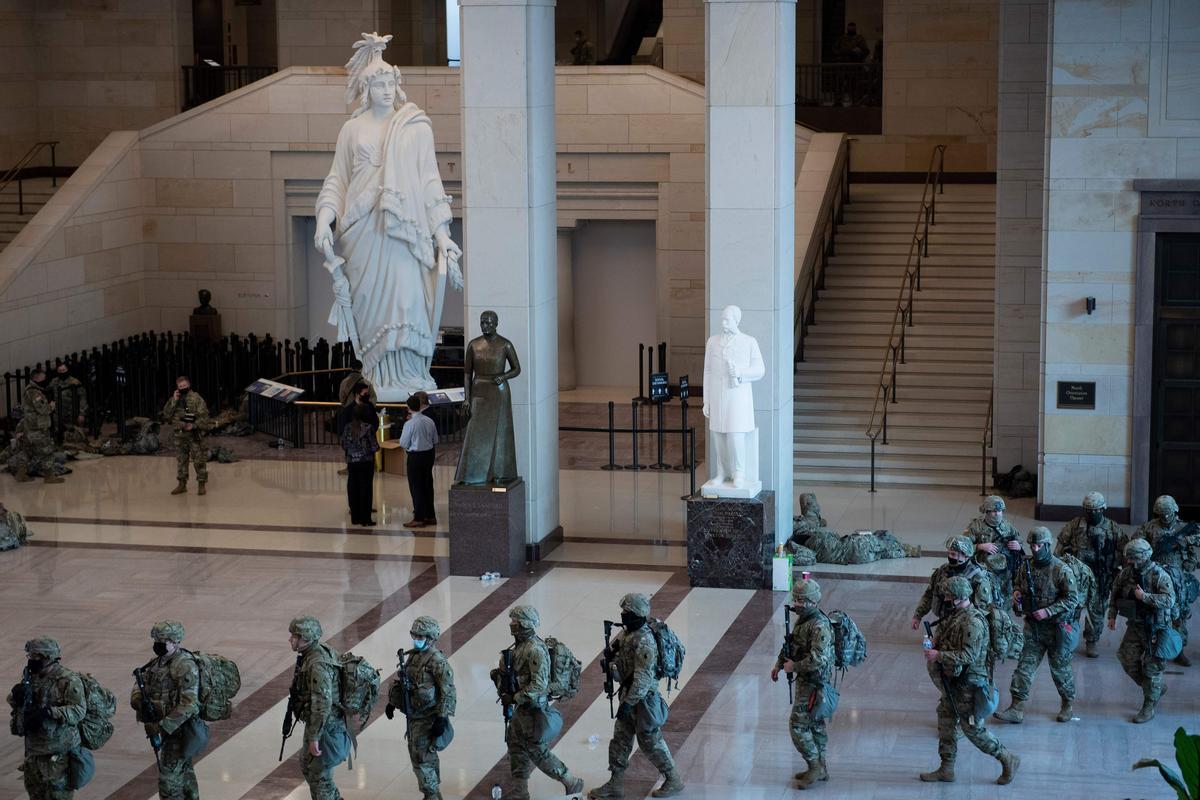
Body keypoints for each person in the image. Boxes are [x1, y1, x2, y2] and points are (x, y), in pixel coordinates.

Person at [315, 33, 463, 402]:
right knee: (371, 309)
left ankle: (410, 373)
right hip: (362, 232)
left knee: (407, 300)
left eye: (390, 82)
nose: (385, 89)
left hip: (402, 231)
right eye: (378, 83)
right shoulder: (352, 130)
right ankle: (378, 374)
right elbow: (337, 178)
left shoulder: (414, 127)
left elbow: (430, 181)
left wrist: (443, 234)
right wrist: (323, 218)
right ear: (366, 88)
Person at [920, 577, 1020, 785]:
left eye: (949, 596)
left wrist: (938, 655)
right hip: (952, 681)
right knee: (946, 722)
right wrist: (934, 643)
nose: (946, 599)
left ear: (958, 597)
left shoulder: (973, 622)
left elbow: (968, 656)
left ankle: (1006, 758)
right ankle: (946, 768)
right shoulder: (955, 615)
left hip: (968, 684)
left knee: (972, 729)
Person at [589, 593, 682, 799]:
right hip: (628, 694)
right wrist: (612, 659)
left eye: (627, 612)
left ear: (637, 614)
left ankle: (673, 778)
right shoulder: (629, 633)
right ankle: (615, 783)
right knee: (620, 740)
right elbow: (621, 656)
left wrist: (628, 704)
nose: (623, 615)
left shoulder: (645, 643)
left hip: (643, 700)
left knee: (650, 741)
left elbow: (643, 679)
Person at [491, 606, 584, 800]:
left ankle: (570, 781)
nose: (511, 625)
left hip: (532, 709)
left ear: (524, 624)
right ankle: (520, 792)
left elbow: (539, 684)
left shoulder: (534, 649)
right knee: (515, 746)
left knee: (537, 751)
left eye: (515, 621)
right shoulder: (520, 646)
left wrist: (515, 697)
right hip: (522, 709)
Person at [993, 527, 1079, 724]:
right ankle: (1017, 708)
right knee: (1024, 668)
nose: (1035, 549)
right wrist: (1016, 594)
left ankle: (1067, 704)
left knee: (1060, 671)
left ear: (1047, 545)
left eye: (1039, 545)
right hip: (1033, 628)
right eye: (1032, 545)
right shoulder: (1027, 566)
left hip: (1056, 628)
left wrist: (1048, 611)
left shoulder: (1061, 570)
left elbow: (1072, 599)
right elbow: (1018, 583)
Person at [6, 636, 87, 800]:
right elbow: (19, 702)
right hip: (34, 753)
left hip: (57, 756)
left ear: (47, 657)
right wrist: (16, 697)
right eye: (30, 657)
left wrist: (50, 712)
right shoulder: (32, 677)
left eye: (34, 657)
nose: (31, 661)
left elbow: (79, 711)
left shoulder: (67, 680)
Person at [771, 578, 833, 790]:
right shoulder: (804, 620)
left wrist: (793, 667)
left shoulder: (819, 626)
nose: (796, 603)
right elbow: (792, 644)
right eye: (795, 599)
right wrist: (779, 664)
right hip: (806, 679)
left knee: (797, 725)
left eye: (801, 600)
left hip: (814, 682)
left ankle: (815, 765)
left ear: (813, 603)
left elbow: (819, 659)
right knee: (815, 724)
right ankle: (820, 767)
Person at [131, 620, 203, 799]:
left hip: (180, 731)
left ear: (175, 641)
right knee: (185, 775)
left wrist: (162, 726)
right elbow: (140, 682)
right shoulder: (157, 663)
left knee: (168, 783)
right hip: (166, 731)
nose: (157, 645)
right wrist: (138, 698)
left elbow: (189, 704)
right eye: (156, 640)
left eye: (162, 641)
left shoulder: (185, 665)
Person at [386, 616, 455, 800]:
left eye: (420, 636)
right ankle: (430, 794)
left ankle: (432, 795)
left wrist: (441, 717)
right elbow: (406, 683)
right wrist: (393, 703)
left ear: (431, 637)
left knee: (423, 761)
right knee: (418, 759)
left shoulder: (437, 661)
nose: (416, 638)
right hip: (414, 718)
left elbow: (448, 691)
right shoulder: (414, 657)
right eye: (414, 634)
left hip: (428, 719)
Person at [1108, 538, 1176, 722]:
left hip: (1156, 628)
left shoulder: (1159, 575)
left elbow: (1169, 600)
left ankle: (1148, 706)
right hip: (1136, 626)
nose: (1129, 562)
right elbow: (1115, 592)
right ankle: (1154, 688)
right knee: (1126, 658)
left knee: (1152, 670)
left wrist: (1145, 597)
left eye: (1133, 558)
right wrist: (1112, 615)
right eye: (1128, 558)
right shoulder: (1126, 574)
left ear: (1144, 557)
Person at [1056, 491, 1127, 657]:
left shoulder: (1113, 529)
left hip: (1101, 577)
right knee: (1070, 609)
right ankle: (1067, 638)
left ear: (1103, 509)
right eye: (1088, 510)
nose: (1092, 514)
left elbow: (1125, 552)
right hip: (1077, 578)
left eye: (1096, 510)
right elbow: (1059, 550)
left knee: (1097, 612)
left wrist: (1121, 574)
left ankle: (1092, 640)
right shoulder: (1074, 526)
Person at [288, 615, 351, 800]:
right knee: (309, 767)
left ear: (306, 638)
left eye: (295, 636)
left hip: (326, 728)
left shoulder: (317, 664)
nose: (290, 640)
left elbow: (322, 702)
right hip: (321, 725)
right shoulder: (317, 652)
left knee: (319, 777)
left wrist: (314, 736)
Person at [702, 305, 765, 490]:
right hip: (716, 396)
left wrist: (740, 373)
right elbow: (707, 371)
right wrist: (706, 400)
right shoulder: (712, 342)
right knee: (718, 435)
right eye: (722, 319)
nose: (723, 323)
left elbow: (760, 369)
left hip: (737, 397)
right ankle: (722, 473)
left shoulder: (749, 342)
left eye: (727, 320)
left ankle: (739, 473)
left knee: (735, 435)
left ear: (737, 321)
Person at [455, 310, 521, 485]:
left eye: (489, 323)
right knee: (476, 433)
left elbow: (516, 368)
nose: (485, 326)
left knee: (501, 432)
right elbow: (467, 373)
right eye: (482, 322)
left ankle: (500, 472)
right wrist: (467, 398)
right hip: (479, 390)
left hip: (499, 391)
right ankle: (473, 475)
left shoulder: (505, 345)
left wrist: (504, 376)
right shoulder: (474, 345)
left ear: (496, 324)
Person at [1133, 494, 1199, 666]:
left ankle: (1178, 650)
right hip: (1154, 577)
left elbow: (1193, 549)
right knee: (1152, 614)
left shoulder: (1184, 529)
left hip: (1177, 579)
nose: (1164, 517)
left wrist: (1186, 548)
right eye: (1161, 514)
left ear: (1174, 511)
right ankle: (1149, 650)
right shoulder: (1148, 528)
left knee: (1180, 615)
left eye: (1167, 513)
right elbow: (1135, 543)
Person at [786, 493, 921, 563]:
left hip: (854, 553)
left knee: (881, 551)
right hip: (853, 547)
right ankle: (907, 550)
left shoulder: (812, 544)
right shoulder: (814, 543)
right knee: (882, 547)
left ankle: (907, 550)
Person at [912, 536, 995, 630]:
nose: (950, 557)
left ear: (966, 556)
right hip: (944, 622)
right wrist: (917, 615)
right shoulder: (942, 571)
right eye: (949, 553)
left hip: (965, 626)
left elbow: (983, 610)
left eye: (953, 554)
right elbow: (929, 594)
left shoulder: (978, 577)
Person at [965, 496, 1023, 610]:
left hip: (1004, 576)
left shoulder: (1007, 527)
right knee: (984, 605)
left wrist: (1018, 545)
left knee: (1004, 609)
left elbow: (1018, 541)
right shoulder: (975, 527)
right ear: (986, 511)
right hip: (983, 575)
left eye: (1000, 511)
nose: (997, 514)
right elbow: (963, 548)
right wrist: (980, 546)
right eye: (994, 512)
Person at [10, 369, 64, 484]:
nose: (45, 380)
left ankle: (21, 474)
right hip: (38, 428)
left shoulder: (29, 389)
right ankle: (49, 476)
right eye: (43, 378)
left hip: (29, 428)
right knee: (47, 451)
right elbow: (43, 409)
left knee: (27, 451)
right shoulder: (35, 393)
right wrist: (51, 406)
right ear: (36, 378)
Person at [162, 376, 209, 496]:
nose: (182, 388)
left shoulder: (196, 398)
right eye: (180, 386)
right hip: (179, 436)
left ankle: (201, 484)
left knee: (199, 460)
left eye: (184, 386)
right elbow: (166, 416)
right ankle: (182, 484)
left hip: (193, 435)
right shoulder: (174, 399)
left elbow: (205, 418)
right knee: (181, 461)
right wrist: (174, 400)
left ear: (188, 385)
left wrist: (193, 426)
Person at [399, 392, 438, 527]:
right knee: (427, 485)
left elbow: (403, 443)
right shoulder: (429, 421)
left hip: (415, 457)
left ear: (409, 407)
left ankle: (419, 518)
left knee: (416, 487)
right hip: (428, 455)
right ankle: (430, 515)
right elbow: (435, 440)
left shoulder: (409, 424)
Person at [341, 402, 379, 527]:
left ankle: (355, 517)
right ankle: (365, 518)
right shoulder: (368, 428)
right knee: (366, 489)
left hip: (352, 461)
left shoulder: (347, 427)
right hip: (366, 462)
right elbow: (374, 446)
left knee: (353, 487)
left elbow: (344, 444)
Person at [47, 363, 89, 447]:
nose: (62, 372)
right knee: (58, 433)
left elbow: (83, 398)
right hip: (58, 413)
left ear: (67, 370)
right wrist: (50, 401)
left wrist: (82, 413)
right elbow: (47, 391)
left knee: (73, 433)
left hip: (71, 413)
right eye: (60, 371)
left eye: (64, 370)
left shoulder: (74, 382)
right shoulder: (54, 381)